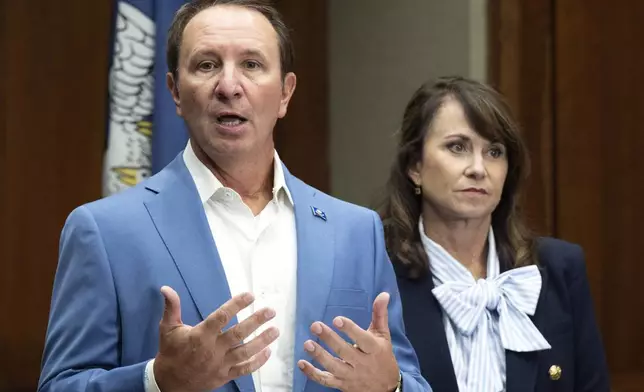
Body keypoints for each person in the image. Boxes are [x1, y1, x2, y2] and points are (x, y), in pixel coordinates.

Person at [37, 1, 429, 391]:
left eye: (252, 65)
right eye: (206, 65)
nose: (228, 86)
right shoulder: (105, 231)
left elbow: (406, 377)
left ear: (285, 94)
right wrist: (156, 381)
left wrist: (391, 386)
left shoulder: (356, 231)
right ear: (174, 91)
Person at [378, 76, 610, 392]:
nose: (478, 168)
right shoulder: (378, 273)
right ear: (414, 166)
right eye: (457, 147)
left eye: (495, 152)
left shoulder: (558, 267)